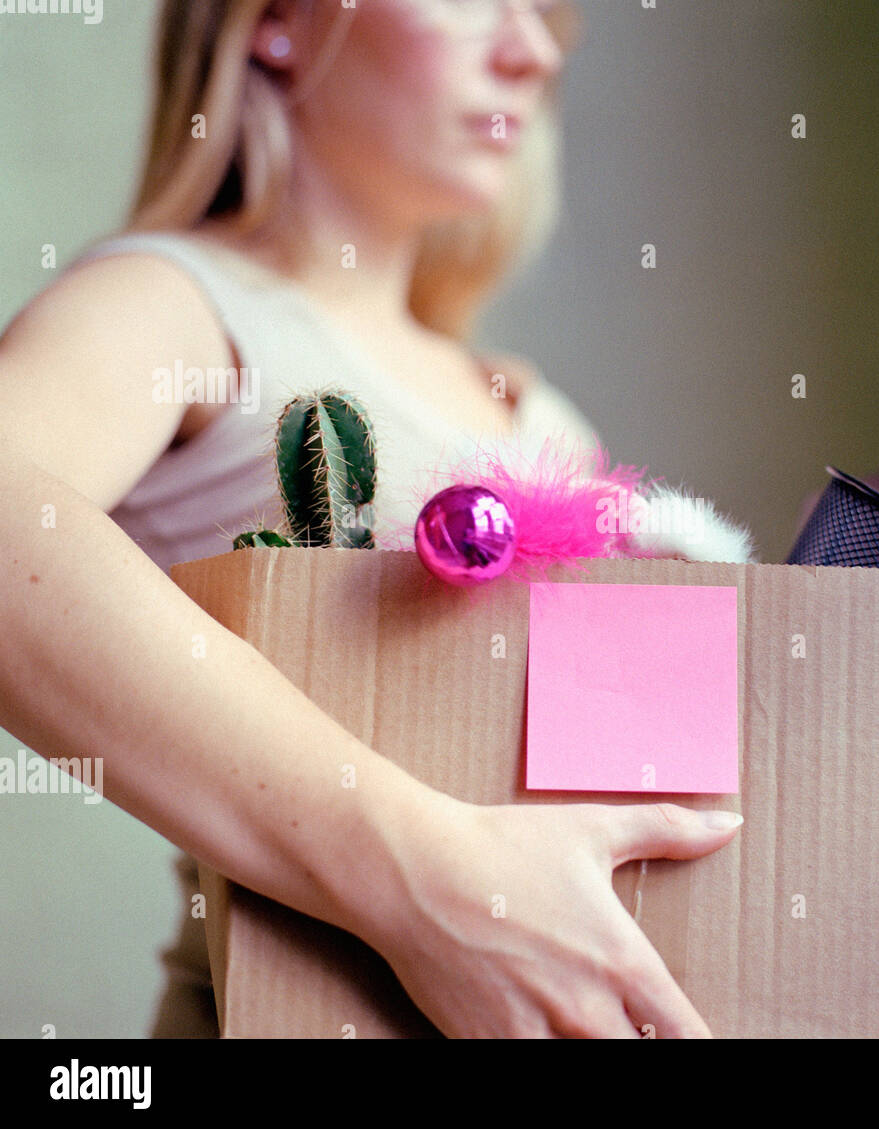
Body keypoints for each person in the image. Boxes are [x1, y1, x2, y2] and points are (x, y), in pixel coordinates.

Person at [0, 0, 743, 1039]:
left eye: (543, 12)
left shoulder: (541, 419)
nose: (532, 52)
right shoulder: (172, 307)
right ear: (277, 21)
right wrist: (431, 880)